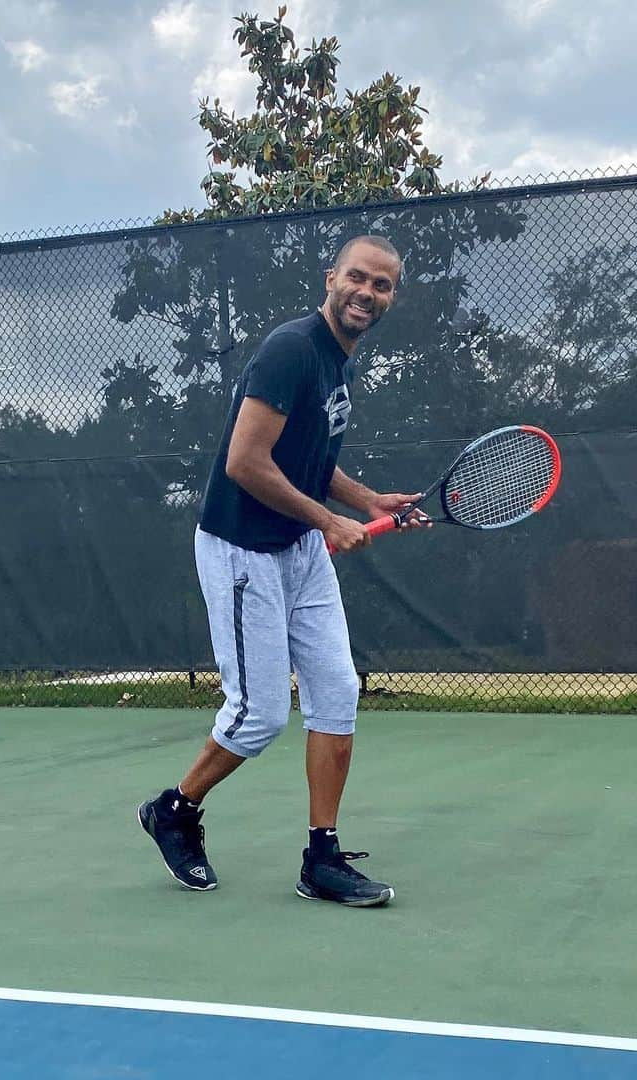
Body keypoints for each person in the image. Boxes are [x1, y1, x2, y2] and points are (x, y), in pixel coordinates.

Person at [138, 235, 425, 907]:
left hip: (299, 552)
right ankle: (174, 810)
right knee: (260, 715)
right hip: (243, 552)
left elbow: (306, 460)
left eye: (382, 285)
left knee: (336, 693)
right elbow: (245, 461)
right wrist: (330, 521)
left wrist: (367, 500)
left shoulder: (336, 363)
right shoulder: (291, 350)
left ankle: (320, 858)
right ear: (331, 279)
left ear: (390, 299)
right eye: (358, 277)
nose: (367, 292)